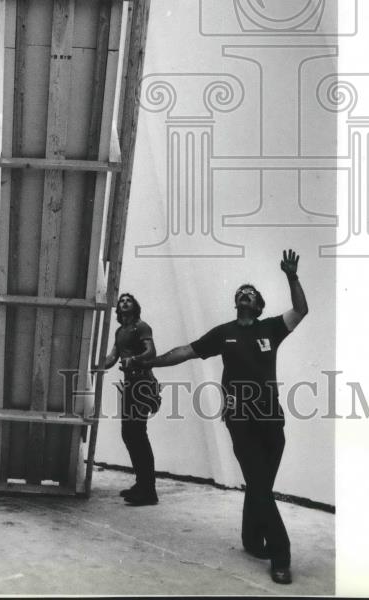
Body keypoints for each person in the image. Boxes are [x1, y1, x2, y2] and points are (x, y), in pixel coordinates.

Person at [139, 249, 308, 585]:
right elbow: (184, 351)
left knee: (261, 485)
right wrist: (150, 363)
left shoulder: (272, 328)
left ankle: (250, 539)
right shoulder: (223, 333)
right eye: (240, 293)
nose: (245, 295)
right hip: (240, 418)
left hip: (272, 419)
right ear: (237, 304)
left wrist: (291, 276)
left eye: (251, 294)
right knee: (259, 484)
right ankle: (281, 556)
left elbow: (301, 309)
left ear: (259, 306)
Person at [103, 292, 159, 506]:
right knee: (129, 434)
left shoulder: (141, 327)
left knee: (137, 434)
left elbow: (151, 352)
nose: (124, 302)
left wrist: (133, 360)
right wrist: (94, 365)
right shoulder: (120, 331)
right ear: (118, 308)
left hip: (143, 383)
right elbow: (111, 358)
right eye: (121, 301)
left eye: (128, 300)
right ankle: (141, 484)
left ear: (135, 306)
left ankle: (148, 490)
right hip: (129, 385)